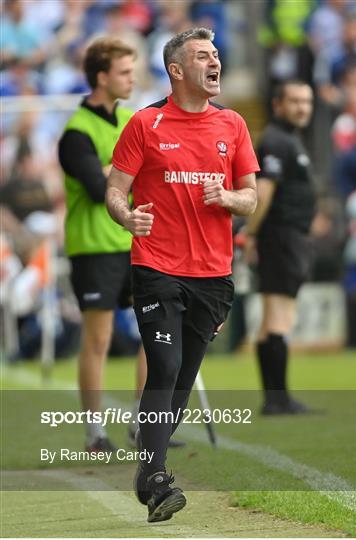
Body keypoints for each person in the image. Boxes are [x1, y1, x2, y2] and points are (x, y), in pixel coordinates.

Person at [106, 27, 259, 523]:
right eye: (202, 56)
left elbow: (250, 199)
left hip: (213, 274)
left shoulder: (233, 124)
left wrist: (229, 198)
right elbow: (115, 189)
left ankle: (148, 470)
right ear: (177, 70)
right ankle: (155, 477)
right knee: (165, 367)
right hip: (155, 266)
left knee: (183, 379)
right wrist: (126, 216)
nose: (215, 62)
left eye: (216, 54)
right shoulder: (145, 124)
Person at [58, 37, 147, 452]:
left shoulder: (132, 120)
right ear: (101, 77)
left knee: (155, 332)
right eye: (124, 72)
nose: (132, 79)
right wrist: (129, 165)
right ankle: (95, 433)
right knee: (98, 339)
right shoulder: (76, 133)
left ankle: (143, 424)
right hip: (93, 246)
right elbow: (99, 190)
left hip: (135, 240)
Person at [246, 80, 316, 415]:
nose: (302, 107)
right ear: (278, 104)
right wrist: (251, 234)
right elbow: (265, 191)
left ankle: (274, 398)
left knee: (271, 319)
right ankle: (279, 399)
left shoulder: (289, 140)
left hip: (285, 237)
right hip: (282, 236)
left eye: (307, 101)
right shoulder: (275, 140)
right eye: (295, 101)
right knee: (279, 316)